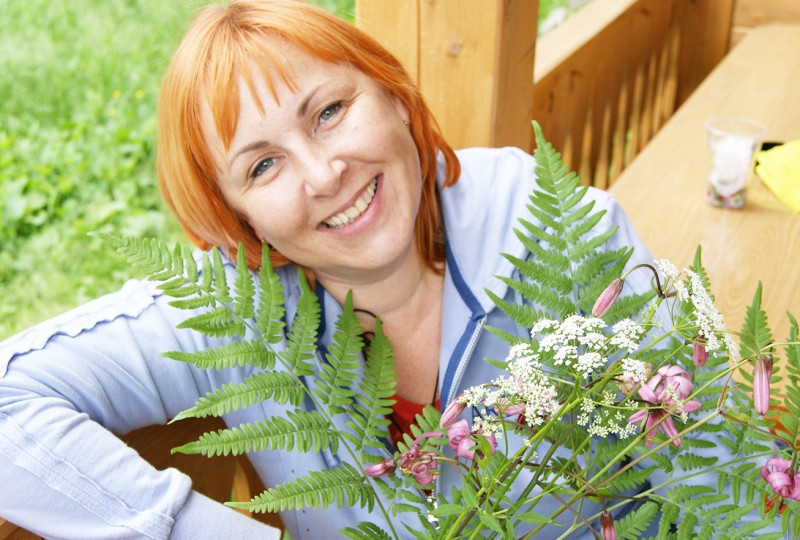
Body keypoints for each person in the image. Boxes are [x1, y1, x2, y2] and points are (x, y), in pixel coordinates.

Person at [0, 1, 726, 538]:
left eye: (329, 111)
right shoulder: (236, 306)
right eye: (262, 164)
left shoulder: (567, 238)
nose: (323, 173)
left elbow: (725, 484)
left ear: (393, 94)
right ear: (237, 219)